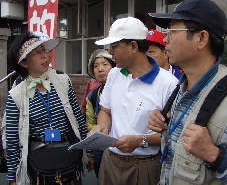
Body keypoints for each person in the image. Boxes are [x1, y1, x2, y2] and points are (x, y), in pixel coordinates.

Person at [148, 0, 227, 185]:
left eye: (172, 31)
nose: (165, 40)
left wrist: (214, 155)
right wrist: (164, 123)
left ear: (201, 38)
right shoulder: (181, 90)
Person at [88, 17, 178, 185]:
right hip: (110, 161)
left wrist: (140, 141)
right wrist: (102, 126)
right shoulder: (115, 74)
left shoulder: (168, 84)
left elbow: (173, 135)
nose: (110, 52)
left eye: (114, 46)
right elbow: (106, 111)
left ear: (133, 46)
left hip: (145, 167)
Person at [4, 31, 88, 185]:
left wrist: (88, 153)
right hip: (38, 161)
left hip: (68, 154)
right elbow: (12, 140)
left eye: (44, 50)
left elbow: (77, 117)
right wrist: (12, 178)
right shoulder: (16, 94)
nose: (45, 56)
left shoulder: (62, 80)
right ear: (24, 63)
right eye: (37, 52)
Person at [85, 49, 115, 177]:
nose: (100, 69)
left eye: (104, 64)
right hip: (100, 150)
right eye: (96, 66)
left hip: (121, 146)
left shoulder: (123, 90)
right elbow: (90, 122)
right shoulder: (92, 96)